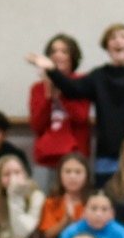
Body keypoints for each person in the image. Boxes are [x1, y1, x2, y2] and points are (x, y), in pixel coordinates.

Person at [25, 24, 124, 180]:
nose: (118, 41)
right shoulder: (98, 76)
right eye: (113, 38)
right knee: (105, 201)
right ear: (107, 45)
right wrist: (52, 69)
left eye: (123, 37)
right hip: (106, 156)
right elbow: (72, 89)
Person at [27, 34, 92, 172]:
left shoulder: (81, 82)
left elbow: (80, 117)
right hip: (46, 156)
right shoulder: (38, 88)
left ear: (72, 57)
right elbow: (37, 126)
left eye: (64, 51)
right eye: (53, 51)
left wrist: (62, 91)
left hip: (75, 155)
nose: (58, 55)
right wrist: (48, 94)